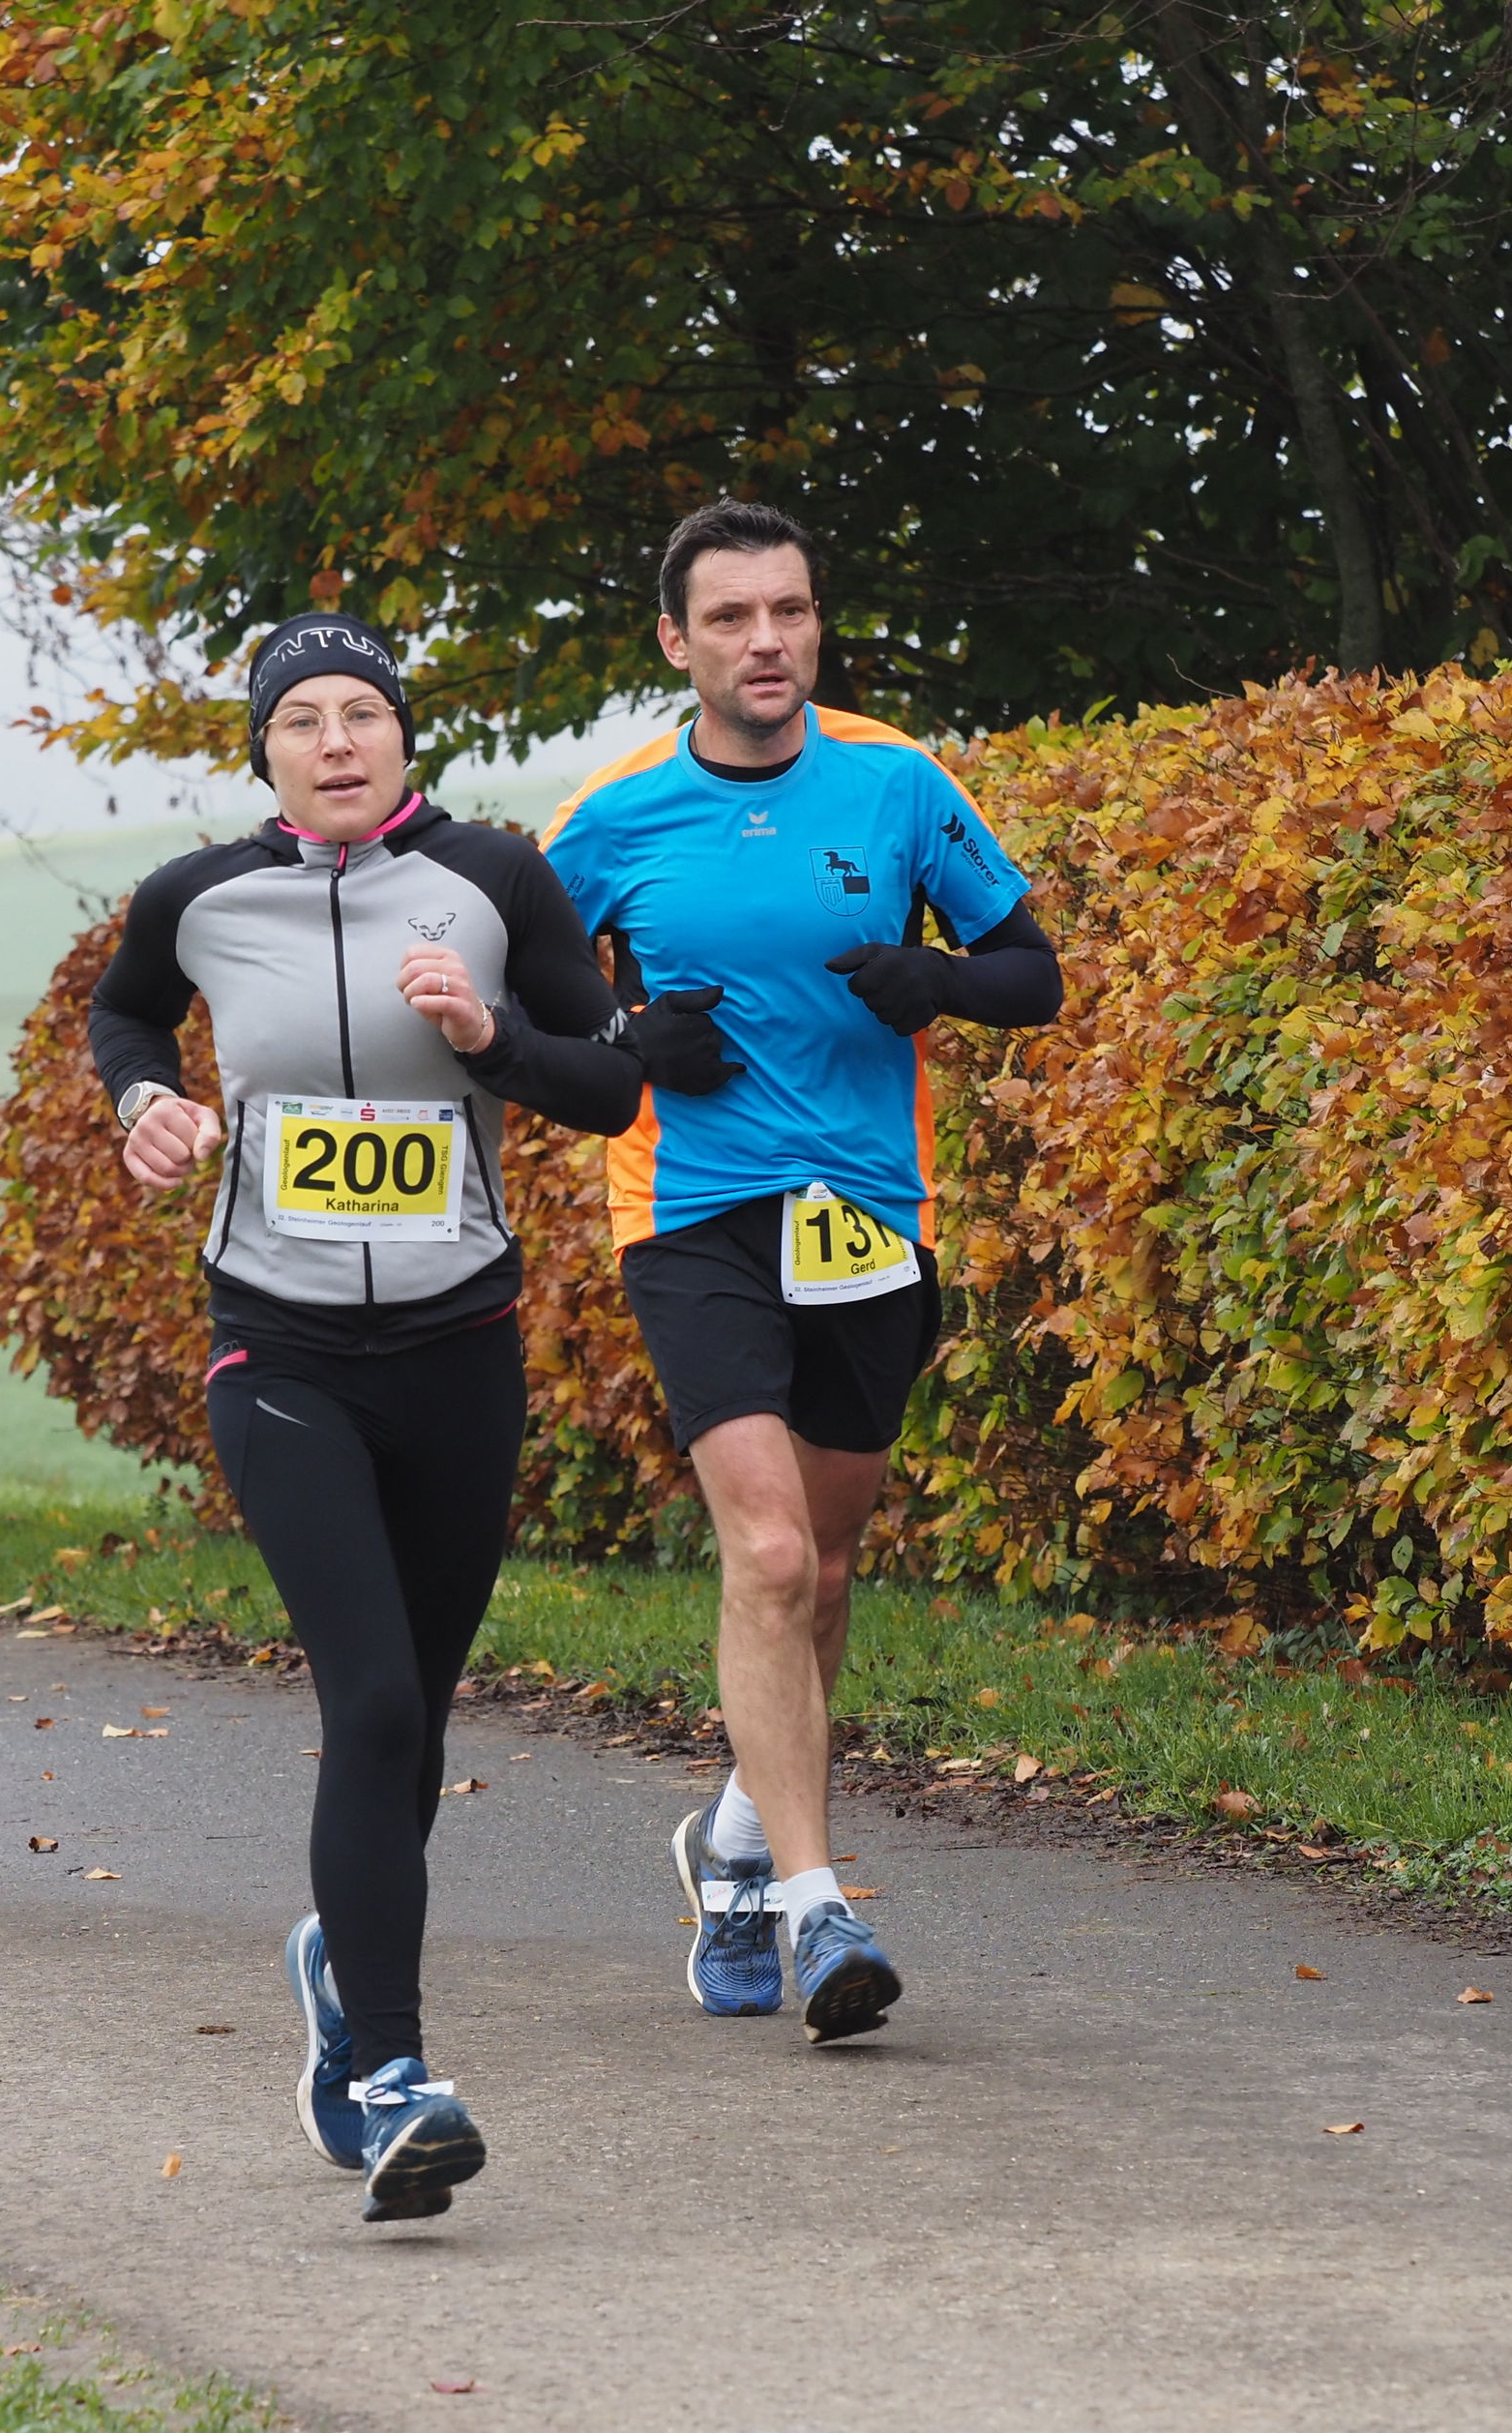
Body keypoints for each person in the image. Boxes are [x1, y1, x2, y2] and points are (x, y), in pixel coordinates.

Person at [92, 612, 645, 2221]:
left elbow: (609, 1082)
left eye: (363, 714)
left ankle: (344, 1975)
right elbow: (124, 1013)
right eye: (302, 720)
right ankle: (396, 2076)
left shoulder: (498, 880)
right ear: (264, 752)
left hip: (460, 1352)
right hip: (280, 1355)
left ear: (405, 737)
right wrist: (145, 1100)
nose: (335, 742)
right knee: (376, 1702)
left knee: (420, 1715)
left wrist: (487, 1037)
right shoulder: (198, 898)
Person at [543, 500, 1064, 2042]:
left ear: (816, 623)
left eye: (790, 611)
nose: (766, 642)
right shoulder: (611, 820)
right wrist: (631, 1038)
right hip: (692, 1212)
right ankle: (818, 1907)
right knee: (768, 1558)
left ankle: (734, 1841)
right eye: (731, 618)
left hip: (865, 1217)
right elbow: (524, 1018)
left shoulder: (897, 782)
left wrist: (937, 977)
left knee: (825, 1572)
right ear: (677, 643)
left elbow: (1034, 972)